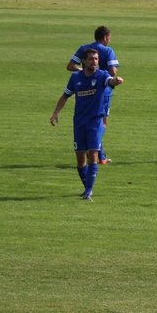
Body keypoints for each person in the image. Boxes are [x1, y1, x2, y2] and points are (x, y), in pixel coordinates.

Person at [50, 48, 123, 200]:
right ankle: (87, 187)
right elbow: (65, 96)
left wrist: (115, 81)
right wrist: (55, 113)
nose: (94, 62)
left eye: (96, 59)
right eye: (91, 59)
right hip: (79, 123)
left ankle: (88, 191)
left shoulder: (102, 75)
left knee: (93, 156)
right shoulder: (75, 77)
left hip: (95, 122)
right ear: (83, 61)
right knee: (80, 159)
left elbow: (109, 81)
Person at [67, 26, 119, 164]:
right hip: (103, 92)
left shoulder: (84, 48)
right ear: (106, 37)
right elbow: (113, 72)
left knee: (88, 121)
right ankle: (94, 149)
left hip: (85, 91)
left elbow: (70, 66)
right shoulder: (108, 50)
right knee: (102, 125)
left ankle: (100, 156)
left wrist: (82, 72)